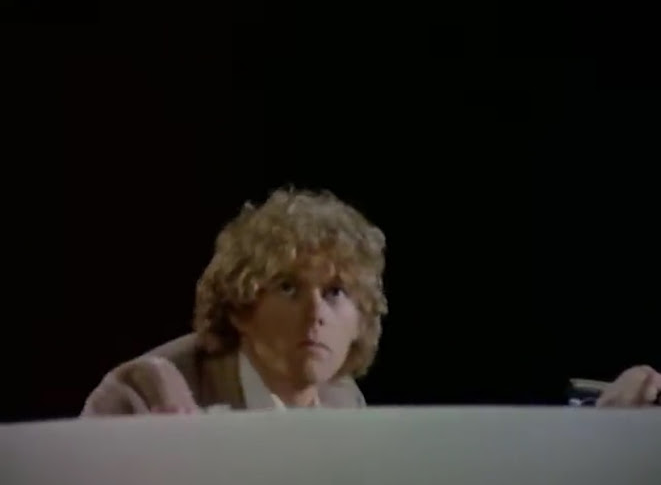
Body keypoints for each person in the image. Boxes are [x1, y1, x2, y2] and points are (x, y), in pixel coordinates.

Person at [81, 188, 661, 416]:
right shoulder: (145, 394)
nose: (316, 313)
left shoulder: (343, 402)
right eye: (289, 288)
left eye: (335, 293)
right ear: (239, 307)